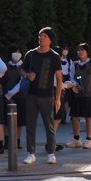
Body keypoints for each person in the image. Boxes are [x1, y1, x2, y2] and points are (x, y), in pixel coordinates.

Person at [22, 26, 63, 165]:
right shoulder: (31, 54)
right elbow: (21, 70)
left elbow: (59, 78)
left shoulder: (54, 56)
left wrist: (58, 99)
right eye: (40, 35)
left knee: (49, 125)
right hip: (31, 95)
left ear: (50, 39)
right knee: (30, 124)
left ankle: (51, 153)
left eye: (44, 36)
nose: (41, 38)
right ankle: (30, 153)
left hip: (47, 95)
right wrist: (27, 75)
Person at [65, 43, 91, 149]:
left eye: (82, 50)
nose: (80, 52)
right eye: (79, 50)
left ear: (87, 52)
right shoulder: (74, 65)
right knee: (74, 117)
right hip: (77, 95)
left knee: (89, 117)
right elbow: (71, 77)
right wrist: (75, 83)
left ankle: (88, 140)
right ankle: (76, 139)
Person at [2, 45, 27, 150]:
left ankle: (17, 140)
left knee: (19, 121)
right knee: (6, 120)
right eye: (14, 52)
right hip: (6, 96)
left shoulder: (24, 66)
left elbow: (23, 82)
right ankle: (7, 141)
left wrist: (10, 94)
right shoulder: (5, 65)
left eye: (18, 52)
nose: (16, 54)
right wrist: (6, 94)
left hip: (20, 96)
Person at [52, 44, 73, 151]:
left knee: (55, 118)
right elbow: (55, 82)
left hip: (49, 94)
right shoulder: (54, 65)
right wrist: (67, 85)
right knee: (56, 118)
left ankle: (51, 141)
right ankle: (50, 143)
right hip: (53, 94)